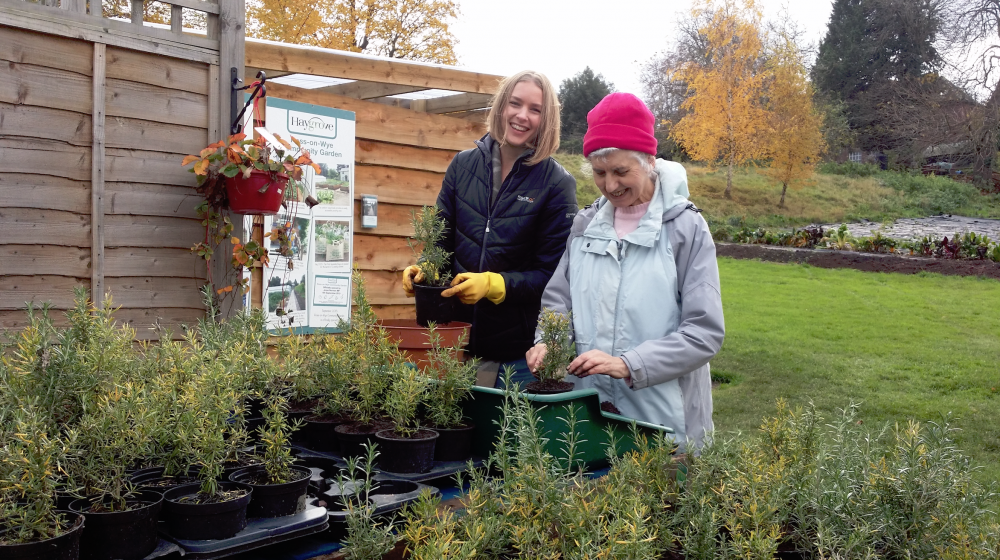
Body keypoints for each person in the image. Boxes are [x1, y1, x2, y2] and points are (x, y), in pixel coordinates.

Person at [525, 93, 724, 450]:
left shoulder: (686, 228)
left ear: (649, 160)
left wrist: (629, 364)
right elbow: (558, 300)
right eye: (600, 173)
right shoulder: (585, 225)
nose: (611, 185)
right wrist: (547, 344)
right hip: (589, 421)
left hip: (665, 424)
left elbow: (703, 333)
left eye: (621, 171)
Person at [402, 70, 578, 389]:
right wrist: (426, 268)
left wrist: (495, 284)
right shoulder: (463, 166)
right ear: (501, 107)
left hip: (517, 354)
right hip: (454, 341)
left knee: (506, 438)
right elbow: (441, 239)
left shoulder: (556, 185)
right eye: (515, 104)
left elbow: (553, 276)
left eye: (535, 109)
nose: (522, 116)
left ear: (547, 119)